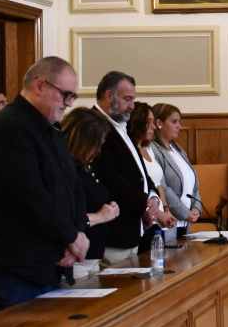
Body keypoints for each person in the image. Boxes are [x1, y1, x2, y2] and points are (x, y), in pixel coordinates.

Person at [0, 57, 88, 312]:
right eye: (65, 95)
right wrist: (69, 236)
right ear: (40, 86)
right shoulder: (9, 128)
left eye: (72, 98)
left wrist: (75, 235)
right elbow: (29, 195)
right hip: (8, 265)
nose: (68, 104)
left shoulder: (48, 129)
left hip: (41, 261)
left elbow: (72, 186)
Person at [92, 71, 164, 263]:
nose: (132, 106)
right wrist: (145, 205)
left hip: (132, 231)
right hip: (113, 233)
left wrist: (153, 198)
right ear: (109, 96)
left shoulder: (121, 125)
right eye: (128, 99)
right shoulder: (94, 127)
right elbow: (110, 178)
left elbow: (140, 174)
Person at [60, 108, 120, 260]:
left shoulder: (84, 165)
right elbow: (66, 218)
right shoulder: (65, 169)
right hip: (76, 257)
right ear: (84, 141)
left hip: (94, 253)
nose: (98, 151)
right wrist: (100, 216)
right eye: (96, 145)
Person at [129, 103, 176, 251]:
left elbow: (156, 183)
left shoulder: (147, 148)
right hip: (143, 220)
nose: (153, 127)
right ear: (137, 123)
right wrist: (157, 213)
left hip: (157, 218)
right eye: (149, 122)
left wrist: (165, 209)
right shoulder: (129, 152)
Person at [151, 103, 202, 230]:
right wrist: (185, 213)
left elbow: (194, 185)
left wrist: (196, 208)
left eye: (179, 122)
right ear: (159, 123)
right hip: (169, 223)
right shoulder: (153, 150)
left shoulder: (178, 150)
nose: (179, 126)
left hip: (186, 223)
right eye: (174, 122)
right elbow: (163, 187)